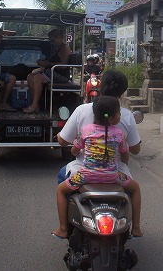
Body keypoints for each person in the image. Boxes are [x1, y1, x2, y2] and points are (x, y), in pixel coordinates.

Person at [51, 96, 143, 239]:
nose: (121, 115)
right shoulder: (120, 135)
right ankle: (136, 228)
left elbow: (74, 151)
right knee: (135, 188)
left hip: (85, 176)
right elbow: (125, 157)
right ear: (112, 118)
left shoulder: (85, 131)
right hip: (113, 177)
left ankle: (63, 229)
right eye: (119, 113)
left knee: (61, 190)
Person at [57, 70, 141, 182]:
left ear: (100, 86)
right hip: (116, 173)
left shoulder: (82, 110)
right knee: (133, 190)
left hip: (83, 171)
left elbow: (63, 142)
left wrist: (60, 135)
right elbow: (135, 150)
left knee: (62, 176)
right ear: (122, 92)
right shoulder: (126, 116)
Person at [23, 29, 71, 114]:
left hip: (61, 76)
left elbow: (63, 65)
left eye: (53, 40)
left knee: (37, 78)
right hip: (52, 72)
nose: (51, 43)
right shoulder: (56, 48)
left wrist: (48, 64)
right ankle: (36, 104)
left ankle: (33, 106)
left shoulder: (65, 48)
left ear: (59, 37)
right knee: (30, 76)